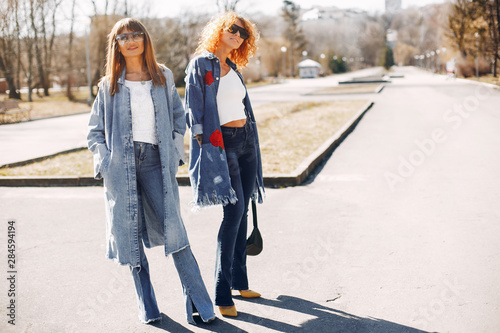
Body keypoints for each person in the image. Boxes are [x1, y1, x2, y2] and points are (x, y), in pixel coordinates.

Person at [87, 18, 215, 325]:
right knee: (130, 238)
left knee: (175, 231)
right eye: (123, 37)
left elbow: (177, 117)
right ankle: (148, 306)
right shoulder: (109, 85)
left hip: (157, 162)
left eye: (136, 35)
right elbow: (94, 132)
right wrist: (106, 162)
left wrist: (172, 152)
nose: (130, 40)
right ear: (116, 45)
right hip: (121, 168)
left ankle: (199, 304)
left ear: (145, 39)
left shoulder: (163, 76)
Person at [184, 12, 265, 317]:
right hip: (223, 144)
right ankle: (221, 293)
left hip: (246, 141)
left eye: (243, 34)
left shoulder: (233, 67)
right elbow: (193, 110)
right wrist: (207, 147)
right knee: (233, 214)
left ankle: (240, 282)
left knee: (242, 211)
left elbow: (240, 104)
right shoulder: (200, 65)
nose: (237, 35)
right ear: (220, 30)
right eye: (233, 29)